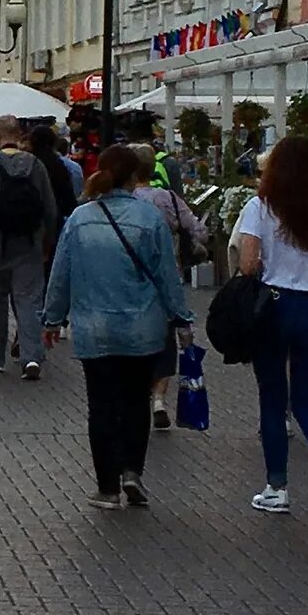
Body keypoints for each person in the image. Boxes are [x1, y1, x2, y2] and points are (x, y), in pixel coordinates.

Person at [43, 144, 195, 509]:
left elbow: (60, 275)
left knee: (101, 405)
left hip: (94, 327)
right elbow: (167, 276)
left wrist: (52, 318)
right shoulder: (149, 219)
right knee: (134, 401)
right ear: (133, 177)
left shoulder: (79, 219)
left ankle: (107, 487)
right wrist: (182, 319)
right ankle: (132, 472)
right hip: (142, 326)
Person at [232, 133, 308, 518]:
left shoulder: (260, 206)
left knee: (272, 398)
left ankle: (277, 487)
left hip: (274, 307)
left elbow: (248, 263)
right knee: (306, 400)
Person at [0, 117, 64, 379]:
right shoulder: (35, 165)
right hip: (29, 242)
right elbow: (50, 208)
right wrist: (47, 240)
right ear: (19, 134)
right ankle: (31, 357)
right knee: (29, 300)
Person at [135, 147, 206, 430]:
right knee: (166, 338)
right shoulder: (168, 199)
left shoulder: (125, 200)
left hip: (132, 281)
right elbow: (198, 230)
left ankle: (139, 392)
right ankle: (159, 399)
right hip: (167, 278)